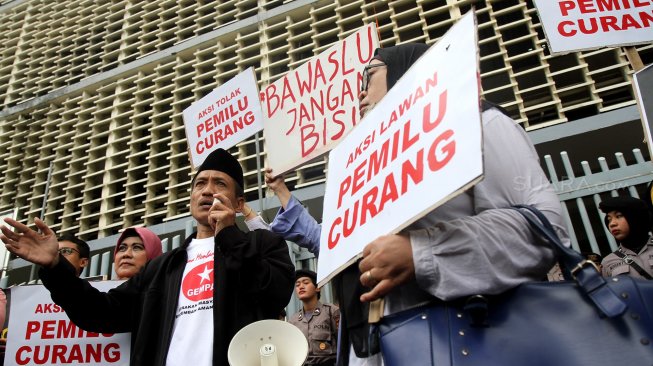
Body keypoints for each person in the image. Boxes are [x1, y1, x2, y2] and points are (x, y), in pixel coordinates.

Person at [0, 147, 295, 366]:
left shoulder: (262, 243)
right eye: (200, 183)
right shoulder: (163, 267)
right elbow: (101, 312)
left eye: (219, 184)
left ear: (239, 201)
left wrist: (229, 235)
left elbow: (275, 293)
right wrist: (55, 267)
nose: (207, 190)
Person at [289, 269, 340, 366]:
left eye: (306, 283)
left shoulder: (331, 312)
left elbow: (343, 343)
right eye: (297, 285)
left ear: (318, 288)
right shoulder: (293, 320)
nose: (301, 287)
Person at [599, 196, 653, 279]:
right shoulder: (607, 262)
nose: (612, 224)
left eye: (619, 216)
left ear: (635, 218)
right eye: (609, 219)